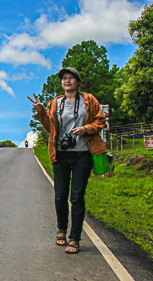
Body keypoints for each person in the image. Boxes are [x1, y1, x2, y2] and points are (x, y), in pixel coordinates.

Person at [27, 67, 107, 254]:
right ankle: (61, 229)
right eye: (64, 78)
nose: (67, 81)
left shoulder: (89, 100)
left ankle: (75, 238)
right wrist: (41, 113)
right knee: (60, 195)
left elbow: (100, 121)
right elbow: (50, 127)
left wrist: (86, 129)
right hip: (60, 155)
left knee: (77, 197)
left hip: (83, 155)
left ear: (77, 82)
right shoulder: (55, 103)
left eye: (71, 78)